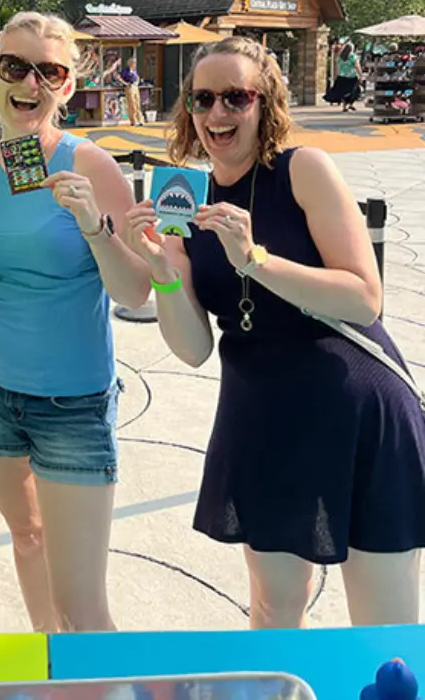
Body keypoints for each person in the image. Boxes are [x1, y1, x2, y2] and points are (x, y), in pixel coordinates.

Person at [123, 36, 425, 629]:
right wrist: (163, 274)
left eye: (236, 97)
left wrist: (255, 258)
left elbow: (365, 298)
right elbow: (191, 349)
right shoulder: (187, 202)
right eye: (202, 98)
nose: (217, 114)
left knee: (384, 630)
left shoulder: (302, 169)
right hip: (262, 417)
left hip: (359, 410)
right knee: (273, 610)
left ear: (265, 103)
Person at [0, 12, 151, 632]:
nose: (29, 82)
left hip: (74, 403)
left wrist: (94, 225)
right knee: (27, 540)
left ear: (67, 85)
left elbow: (135, 290)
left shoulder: (92, 165)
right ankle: (46, 671)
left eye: (49, 71)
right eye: (15, 66)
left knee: (84, 606)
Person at [325, 40, 363, 111]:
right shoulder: (353, 57)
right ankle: (351, 104)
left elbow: (337, 67)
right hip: (352, 77)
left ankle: (345, 106)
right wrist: (361, 75)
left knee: (344, 92)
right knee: (355, 91)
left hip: (341, 77)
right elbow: (357, 66)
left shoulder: (340, 57)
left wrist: (335, 76)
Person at [118, 55, 146, 126]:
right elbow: (118, 77)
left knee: (137, 104)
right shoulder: (126, 71)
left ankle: (140, 120)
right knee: (132, 104)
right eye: (133, 63)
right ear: (130, 63)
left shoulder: (134, 71)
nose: (134, 64)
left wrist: (138, 81)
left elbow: (137, 77)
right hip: (129, 87)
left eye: (135, 63)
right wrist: (125, 83)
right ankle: (133, 120)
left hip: (135, 87)